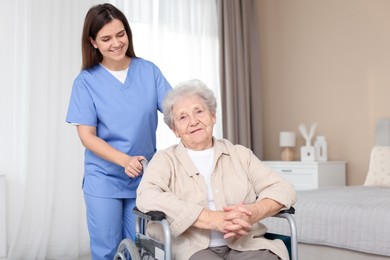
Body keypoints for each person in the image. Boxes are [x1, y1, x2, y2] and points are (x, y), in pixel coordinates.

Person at [136, 79, 297, 260]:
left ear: (212, 116)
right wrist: (212, 218)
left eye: (199, 111)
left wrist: (253, 213)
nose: (194, 121)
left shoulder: (239, 154)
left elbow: (284, 188)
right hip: (191, 249)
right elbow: (146, 196)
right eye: (183, 117)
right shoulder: (165, 160)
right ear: (175, 130)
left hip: (245, 244)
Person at [65, 3, 172, 259]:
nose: (116, 43)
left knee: (142, 248)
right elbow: (87, 136)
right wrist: (124, 160)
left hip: (144, 178)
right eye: (106, 38)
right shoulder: (86, 82)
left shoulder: (148, 71)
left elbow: (174, 111)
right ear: (93, 42)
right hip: (104, 179)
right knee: (108, 250)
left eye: (120, 34)